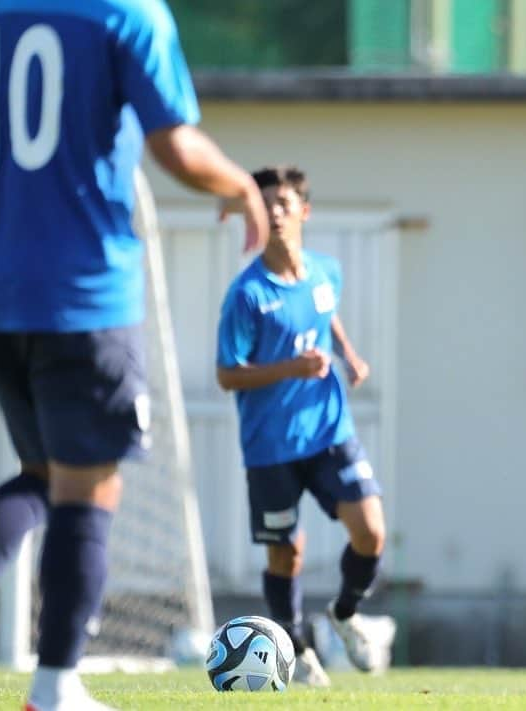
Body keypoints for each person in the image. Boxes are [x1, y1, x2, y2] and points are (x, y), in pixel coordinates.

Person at [0, 1, 268, 709]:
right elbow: (176, 148)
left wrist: (8, 184)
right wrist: (242, 185)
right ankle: (56, 686)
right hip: (82, 292)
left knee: (43, 475)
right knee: (87, 486)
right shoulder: (124, 12)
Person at [216, 165, 389, 687]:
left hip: (329, 432)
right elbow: (227, 373)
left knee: (371, 532)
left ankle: (344, 611)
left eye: (283, 204)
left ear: (303, 212)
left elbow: (324, 311)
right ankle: (297, 649)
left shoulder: (323, 271)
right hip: (270, 445)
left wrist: (348, 353)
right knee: (287, 552)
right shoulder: (246, 294)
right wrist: (292, 367)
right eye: (264, 204)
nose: (273, 213)